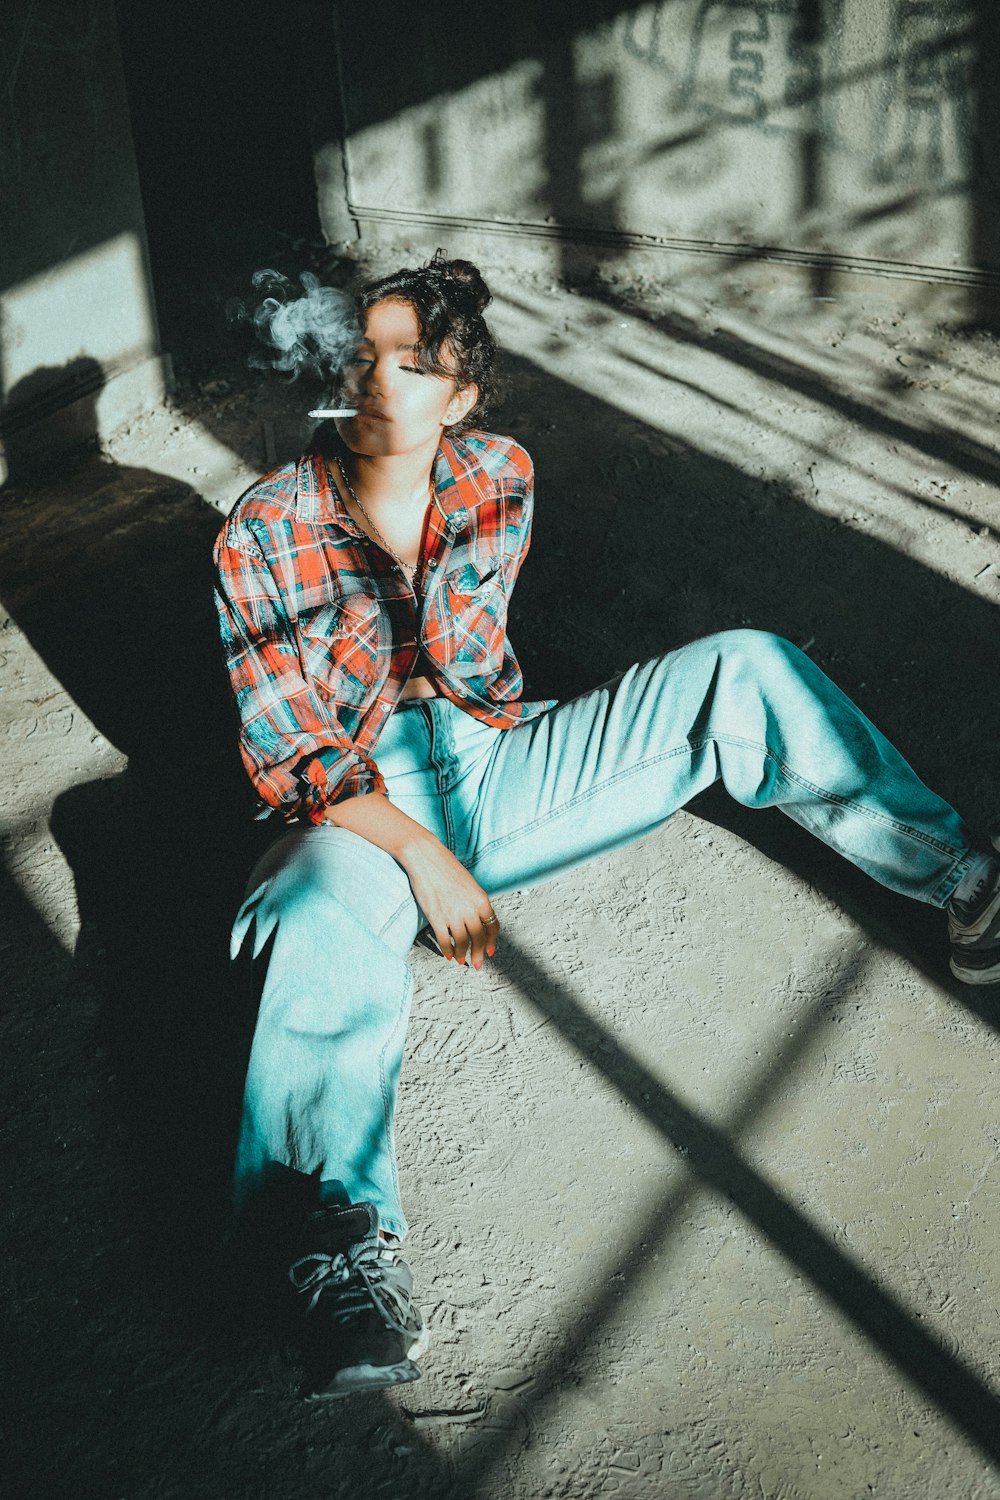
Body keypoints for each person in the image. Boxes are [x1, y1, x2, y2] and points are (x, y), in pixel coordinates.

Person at [213, 254, 1000, 1399]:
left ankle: (965, 888)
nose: (380, 383)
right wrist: (423, 853)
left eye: (414, 365)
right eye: (364, 358)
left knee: (744, 668)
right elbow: (293, 754)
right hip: (360, 810)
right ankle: (330, 1240)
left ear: (462, 397)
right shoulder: (263, 528)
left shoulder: (497, 476)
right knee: (309, 910)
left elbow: (471, 671)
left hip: (499, 758)